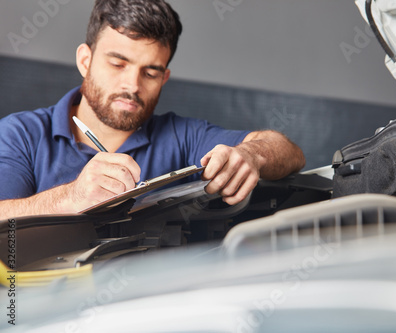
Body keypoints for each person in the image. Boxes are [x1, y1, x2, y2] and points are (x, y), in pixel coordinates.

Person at [0, 0, 305, 219]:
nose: (132, 85)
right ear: (85, 61)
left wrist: (251, 155)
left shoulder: (182, 136)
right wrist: (70, 197)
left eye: (151, 72)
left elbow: (290, 152)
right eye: (118, 64)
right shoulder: (19, 135)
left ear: (164, 78)